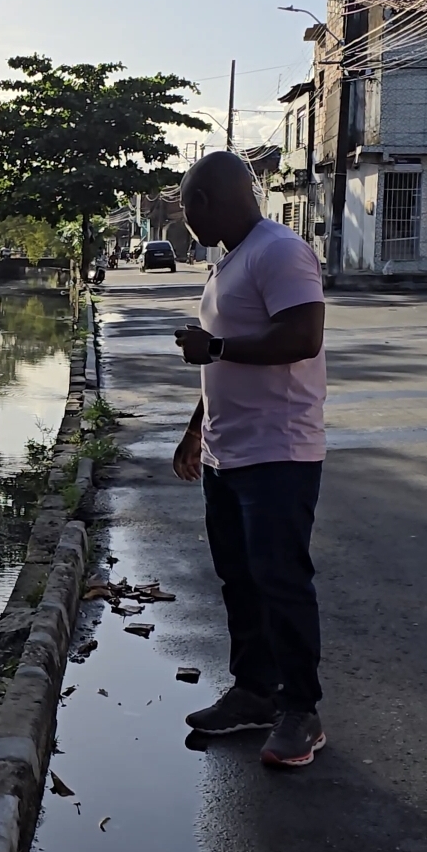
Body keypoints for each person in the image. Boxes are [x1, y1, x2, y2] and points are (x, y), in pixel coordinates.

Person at [172, 150, 327, 769]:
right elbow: (219, 364)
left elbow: (302, 336)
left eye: (186, 210)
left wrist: (218, 345)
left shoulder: (279, 250)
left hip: (278, 451)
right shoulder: (228, 262)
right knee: (239, 579)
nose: (187, 224)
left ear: (205, 202)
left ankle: (301, 711)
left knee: (280, 581)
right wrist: (194, 430)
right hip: (227, 454)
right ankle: (255, 692)